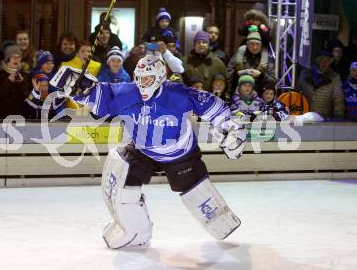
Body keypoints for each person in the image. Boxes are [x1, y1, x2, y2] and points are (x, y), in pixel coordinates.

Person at [62, 54, 246, 249]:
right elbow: (100, 94)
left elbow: (212, 106)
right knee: (119, 171)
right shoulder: (127, 92)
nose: (142, 83)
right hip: (143, 150)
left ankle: (219, 218)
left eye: (148, 78)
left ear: (159, 78)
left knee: (200, 200)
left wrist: (231, 127)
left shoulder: (177, 95)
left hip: (180, 153)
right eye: (139, 77)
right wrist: (80, 89)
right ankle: (137, 231)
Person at [298, 50, 345, 120]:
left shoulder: (334, 77)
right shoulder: (305, 74)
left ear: (331, 62)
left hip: (324, 118)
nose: (324, 62)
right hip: (304, 117)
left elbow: (338, 98)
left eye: (328, 60)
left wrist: (339, 117)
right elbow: (297, 93)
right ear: (317, 60)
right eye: (321, 59)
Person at [227, 30, 276, 95]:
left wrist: (261, 75)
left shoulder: (267, 58)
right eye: (252, 44)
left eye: (257, 44)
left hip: (259, 97)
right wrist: (238, 74)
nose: (255, 47)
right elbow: (227, 75)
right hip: (238, 96)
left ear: (261, 45)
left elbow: (273, 81)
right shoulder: (238, 56)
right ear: (247, 44)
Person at [0, 44, 31, 119]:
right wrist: (8, 82)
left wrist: (22, 83)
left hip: (21, 117)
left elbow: (28, 96)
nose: (17, 59)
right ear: (7, 59)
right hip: (3, 117)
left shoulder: (25, 75)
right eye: (14, 57)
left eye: (19, 57)